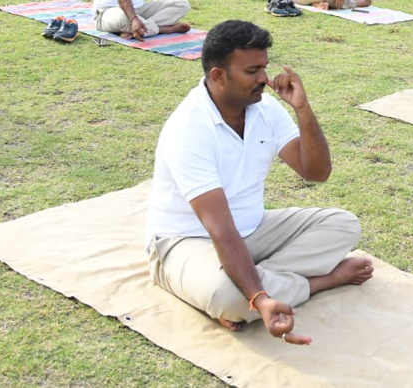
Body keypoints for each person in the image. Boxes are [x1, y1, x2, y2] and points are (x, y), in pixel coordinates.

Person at [146, 19, 371, 342]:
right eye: (252, 72)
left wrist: (302, 109)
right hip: (185, 242)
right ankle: (311, 284)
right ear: (218, 76)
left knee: (344, 225)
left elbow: (316, 172)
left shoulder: (264, 108)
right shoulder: (189, 128)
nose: (264, 79)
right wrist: (260, 298)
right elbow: (220, 229)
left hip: (253, 231)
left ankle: (247, 288)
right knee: (228, 295)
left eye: (264, 68)